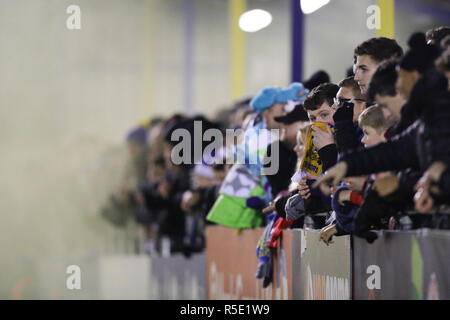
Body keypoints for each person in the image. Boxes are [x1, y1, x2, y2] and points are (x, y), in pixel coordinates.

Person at [313, 32, 450, 225]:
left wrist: (436, 178)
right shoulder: (426, 122)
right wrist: (346, 166)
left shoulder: (426, 118)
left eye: (363, 68)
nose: (357, 76)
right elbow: (394, 151)